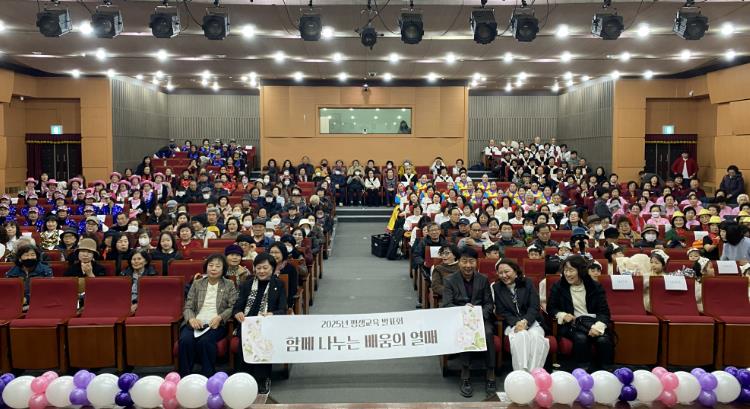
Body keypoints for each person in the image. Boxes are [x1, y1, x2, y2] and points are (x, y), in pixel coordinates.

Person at [440, 247, 496, 398]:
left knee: (488, 332)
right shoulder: (450, 280)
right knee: (465, 332)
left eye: (471, 261)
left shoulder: (483, 279)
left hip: (480, 318)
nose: (468, 265)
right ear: (459, 262)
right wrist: (463, 311)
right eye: (464, 261)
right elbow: (446, 304)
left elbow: (489, 304)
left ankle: (490, 373)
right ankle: (465, 374)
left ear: (477, 262)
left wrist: (479, 315)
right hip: (460, 319)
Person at [547, 255, 614, 371]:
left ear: (581, 271)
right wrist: (562, 315)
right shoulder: (558, 287)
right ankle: (582, 370)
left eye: (571, 270)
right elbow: (551, 308)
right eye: (566, 270)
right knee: (581, 338)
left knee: (603, 340)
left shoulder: (595, 286)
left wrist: (598, 327)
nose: (567, 274)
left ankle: (606, 371)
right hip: (572, 325)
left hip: (593, 323)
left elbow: (604, 312)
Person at [233, 253, 287, 395]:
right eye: (258, 268)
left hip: (267, 325)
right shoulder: (247, 284)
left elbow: (282, 309)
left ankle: (262, 379)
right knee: (247, 338)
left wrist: (272, 314)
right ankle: (243, 378)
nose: (262, 271)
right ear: (254, 269)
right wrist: (238, 313)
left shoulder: (278, 285)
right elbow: (237, 307)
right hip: (247, 325)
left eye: (265, 268)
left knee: (262, 339)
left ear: (273, 268)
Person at [178, 254, 238, 377]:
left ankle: (208, 376)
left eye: (218, 266)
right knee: (185, 341)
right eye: (211, 265)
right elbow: (188, 306)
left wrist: (220, 317)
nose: (213, 268)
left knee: (205, 342)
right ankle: (184, 377)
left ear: (223, 269)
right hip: (196, 321)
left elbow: (232, 306)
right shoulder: (197, 283)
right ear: (206, 267)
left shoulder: (229, 284)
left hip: (215, 323)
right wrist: (191, 319)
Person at [493, 258, 549, 371]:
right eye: (500, 273)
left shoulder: (527, 283)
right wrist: (517, 323)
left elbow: (534, 306)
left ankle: (533, 372)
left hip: (531, 322)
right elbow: (501, 311)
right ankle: (521, 372)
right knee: (521, 335)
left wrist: (525, 321)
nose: (504, 275)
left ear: (515, 271)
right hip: (511, 324)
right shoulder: (497, 288)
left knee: (536, 337)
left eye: (507, 271)